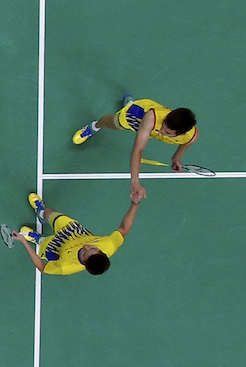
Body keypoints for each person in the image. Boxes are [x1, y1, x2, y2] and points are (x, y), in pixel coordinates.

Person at [72, 94, 197, 201]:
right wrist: (135, 182)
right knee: (113, 123)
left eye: (168, 132)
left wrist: (176, 158)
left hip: (149, 127)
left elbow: (187, 142)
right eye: (163, 125)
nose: (161, 130)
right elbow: (138, 150)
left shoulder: (190, 136)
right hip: (138, 114)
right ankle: (94, 127)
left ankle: (129, 102)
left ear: (180, 134)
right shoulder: (152, 118)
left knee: (153, 131)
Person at [10, 192, 141, 276]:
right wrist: (135, 203)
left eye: (85, 253)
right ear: (102, 252)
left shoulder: (66, 266)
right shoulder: (109, 245)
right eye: (93, 248)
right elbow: (124, 228)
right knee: (50, 213)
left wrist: (24, 242)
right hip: (73, 232)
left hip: (57, 248)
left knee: (44, 243)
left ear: (84, 263)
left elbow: (42, 267)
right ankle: (40, 212)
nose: (86, 247)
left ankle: (36, 238)